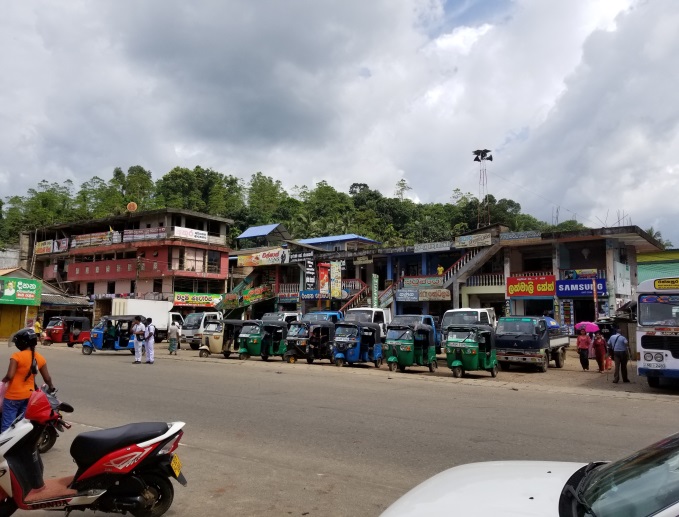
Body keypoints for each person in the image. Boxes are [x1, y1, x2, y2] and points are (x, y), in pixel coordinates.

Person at [1, 329, 55, 432]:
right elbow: (47, 378)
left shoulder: (16, 356)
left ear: (22, 343)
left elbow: (10, 375)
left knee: (7, 426)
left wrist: (3, 381)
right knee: (21, 425)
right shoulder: (40, 358)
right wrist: (52, 387)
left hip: (13, 396)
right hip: (29, 397)